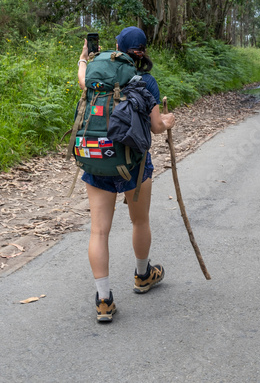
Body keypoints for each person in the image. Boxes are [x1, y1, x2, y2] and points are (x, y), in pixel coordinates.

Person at [77, 26, 175, 322]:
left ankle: (104, 299)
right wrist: (169, 121)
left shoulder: (97, 77)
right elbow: (157, 126)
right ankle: (143, 275)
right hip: (134, 164)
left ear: (117, 46)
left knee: (98, 231)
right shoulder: (146, 81)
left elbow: (83, 80)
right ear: (144, 50)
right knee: (140, 220)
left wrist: (84, 58)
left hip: (98, 160)